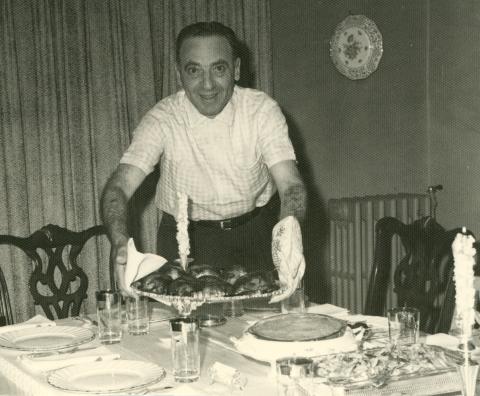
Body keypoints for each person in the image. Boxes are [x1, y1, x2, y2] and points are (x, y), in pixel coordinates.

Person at [101, 21, 307, 297]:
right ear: (179, 74)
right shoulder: (163, 118)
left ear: (235, 69)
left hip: (254, 233)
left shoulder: (261, 111)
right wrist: (119, 243)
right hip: (185, 239)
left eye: (218, 69)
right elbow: (118, 188)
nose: (207, 84)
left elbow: (291, 185)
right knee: (182, 335)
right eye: (194, 70)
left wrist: (289, 236)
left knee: (266, 327)